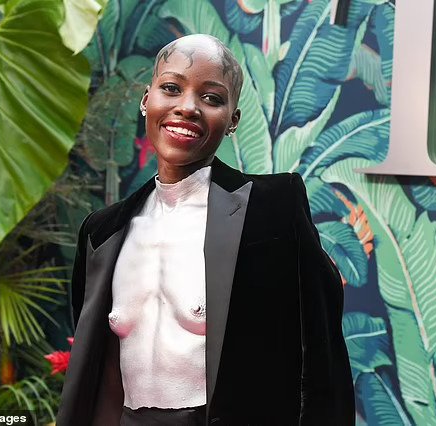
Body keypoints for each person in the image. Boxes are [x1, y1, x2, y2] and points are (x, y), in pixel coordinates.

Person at [57, 34, 354, 426]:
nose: (187, 107)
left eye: (212, 97)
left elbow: (321, 355)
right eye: (171, 88)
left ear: (233, 120)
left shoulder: (272, 210)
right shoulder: (102, 232)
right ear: (147, 100)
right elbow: (94, 364)